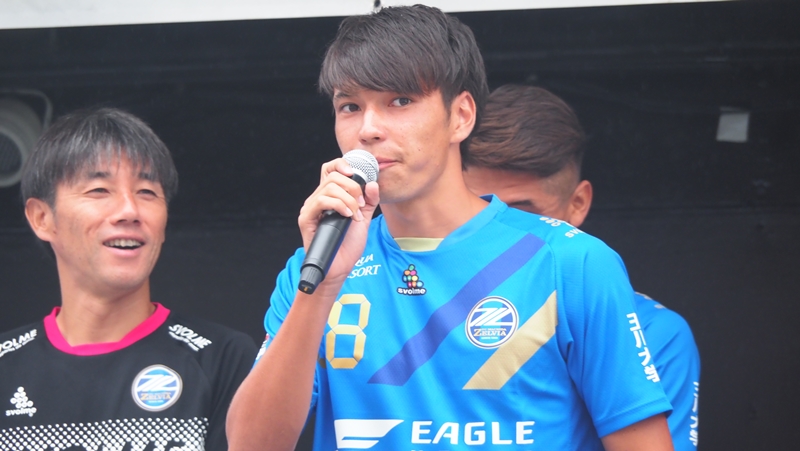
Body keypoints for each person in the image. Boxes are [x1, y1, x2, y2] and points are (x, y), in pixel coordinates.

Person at [227, 5, 674, 451]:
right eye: (350, 106)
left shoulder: (571, 261)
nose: (368, 129)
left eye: (400, 101)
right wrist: (322, 288)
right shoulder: (312, 268)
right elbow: (250, 445)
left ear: (460, 116)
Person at [0, 108, 257, 451]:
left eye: (147, 192)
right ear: (42, 218)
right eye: (99, 190)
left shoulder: (222, 358)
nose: (129, 211)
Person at [463, 84, 701, 449]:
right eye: (476, 210)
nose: (498, 233)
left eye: (523, 214)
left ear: (577, 204)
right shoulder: (401, 308)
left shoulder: (654, 332)